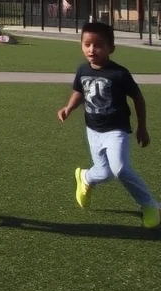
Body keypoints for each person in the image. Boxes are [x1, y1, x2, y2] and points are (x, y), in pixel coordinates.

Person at [58, 21, 160, 229]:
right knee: (104, 172)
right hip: (93, 130)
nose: (92, 49)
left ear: (111, 48)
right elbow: (80, 91)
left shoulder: (119, 74)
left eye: (98, 45)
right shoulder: (83, 70)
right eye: (87, 44)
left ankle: (150, 205)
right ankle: (86, 177)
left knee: (120, 168)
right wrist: (68, 108)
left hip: (117, 130)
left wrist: (142, 127)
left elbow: (138, 98)